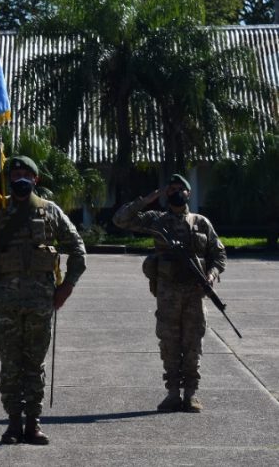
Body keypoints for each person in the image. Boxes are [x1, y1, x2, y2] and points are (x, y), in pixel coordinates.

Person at [0, 156, 86, 445]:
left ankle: (33, 423)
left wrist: (67, 286)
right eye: (14, 173)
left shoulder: (50, 211)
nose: (19, 178)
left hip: (41, 301)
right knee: (9, 363)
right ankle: (13, 423)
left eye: (25, 174)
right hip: (5, 301)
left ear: (35, 179)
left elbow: (78, 249)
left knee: (34, 363)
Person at [112, 174, 225, 413]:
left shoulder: (201, 222)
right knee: (169, 343)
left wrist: (211, 276)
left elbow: (218, 255)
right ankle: (173, 393)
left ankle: (191, 394)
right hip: (168, 293)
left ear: (188, 193)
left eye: (180, 189)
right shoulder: (157, 220)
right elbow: (121, 220)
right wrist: (148, 199)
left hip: (194, 293)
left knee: (193, 342)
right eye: (171, 189)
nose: (175, 192)